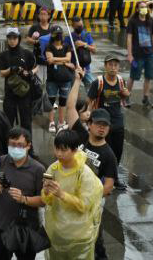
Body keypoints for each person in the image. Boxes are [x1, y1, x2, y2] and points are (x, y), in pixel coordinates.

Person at [0, 127, 46, 260]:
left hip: (26, 229)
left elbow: (43, 200)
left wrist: (24, 199)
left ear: (28, 146)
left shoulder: (38, 169)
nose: (16, 148)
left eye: (20, 145)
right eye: (12, 145)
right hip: (1, 225)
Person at [42, 128, 103, 259]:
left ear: (75, 150)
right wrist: (46, 192)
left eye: (63, 150)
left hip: (79, 236)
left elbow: (84, 205)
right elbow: (48, 201)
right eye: (57, 149)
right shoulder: (53, 168)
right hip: (57, 233)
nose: (59, 154)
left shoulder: (84, 174)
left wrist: (61, 194)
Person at [80, 109, 119, 259]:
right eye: (98, 124)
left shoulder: (109, 155)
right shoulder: (81, 139)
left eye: (105, 125)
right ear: (89, 124)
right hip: (74, 197)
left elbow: (109, 185)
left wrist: (88, 198)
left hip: (92, 203)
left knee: (94, 238)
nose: (102, 128)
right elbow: (70, 110)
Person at [88, 56, 129, 173]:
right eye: (110, 65)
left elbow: (124, 97)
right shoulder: (98, 82)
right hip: (102, 121)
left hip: (117, 121)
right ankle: (102, 173)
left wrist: (126, 94)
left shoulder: (121, 81)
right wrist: (88, 118)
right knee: (104, 149)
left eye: (115, 65)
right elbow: (89, 101)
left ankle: (113, 173)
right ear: (105, 66)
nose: (113, 68)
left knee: (118, 150)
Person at [0, 29, 36, 131]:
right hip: (10, 92)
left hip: (25, 92)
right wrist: (11, 69)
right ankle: (8, 140)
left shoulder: (27, 53)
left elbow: (36, 67)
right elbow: (2, 73)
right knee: (8, 122)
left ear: (18, 39)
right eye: (9, 38)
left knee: (26, 122)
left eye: (14, 38)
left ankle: (28, 141)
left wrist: (30, 73)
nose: (12, 41)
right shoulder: (4, 55)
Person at [42, 26, 76, 132]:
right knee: (51, 100)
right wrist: (64, 62)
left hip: (65, 78)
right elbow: (50, 60)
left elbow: (68, 58)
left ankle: (61, 122)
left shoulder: (67, 46)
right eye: (56, 34)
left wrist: (56, 60)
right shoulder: (49, 47)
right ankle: (51, 122)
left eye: (60, 33)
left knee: (63, 101)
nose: (58, 36)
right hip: (52, 78)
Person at [128, 0, 153, 105]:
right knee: (133, 76)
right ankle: (126, 96)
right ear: (137, 9)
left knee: (148, 77)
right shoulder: (133, 21)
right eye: (141, 7)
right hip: (137, 55)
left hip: (150, 55)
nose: (144, 9)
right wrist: (130, 54)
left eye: (145, 7)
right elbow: (129, 38)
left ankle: (146, 98)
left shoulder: (151, 21)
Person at [68, 18, 96, 88]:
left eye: (81, 25)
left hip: (86, 68)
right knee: (74, 88)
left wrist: (84, 45)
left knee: (91, 87)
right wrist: (75, 46)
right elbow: (66, 52)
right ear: (73, 26)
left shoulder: (87, 35)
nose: (80, 27)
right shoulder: (69, 37)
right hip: (74, 68)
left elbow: (94, 50)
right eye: (78, 26)